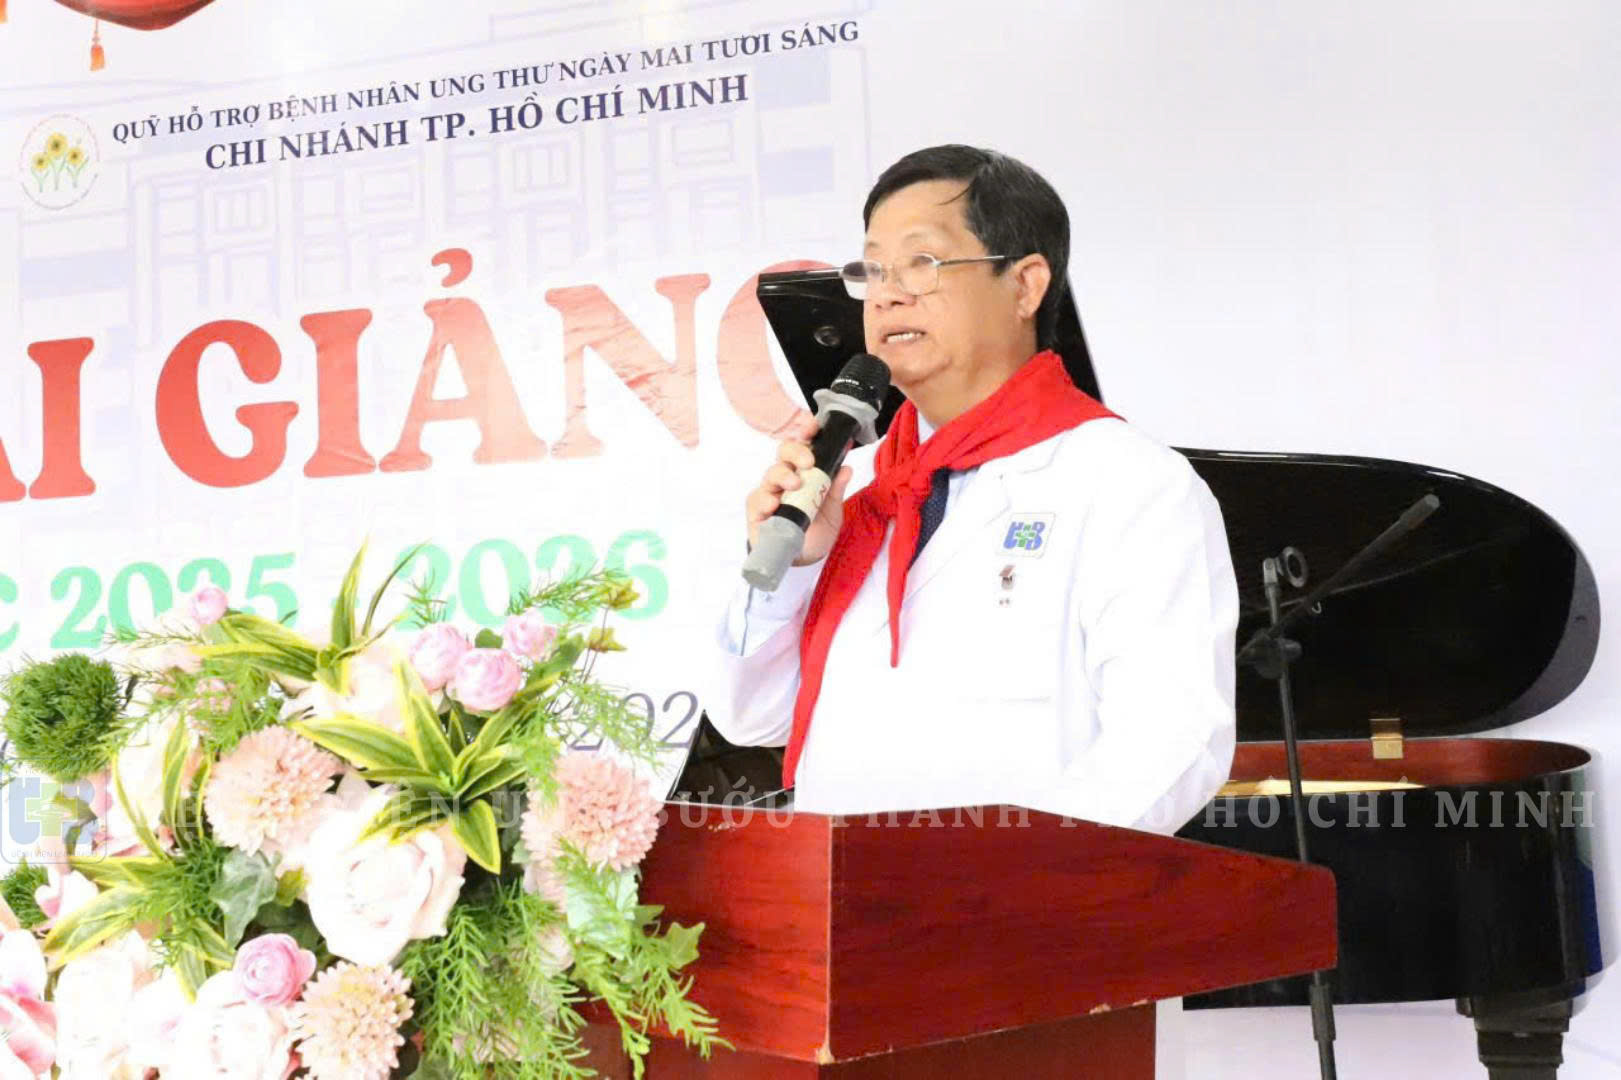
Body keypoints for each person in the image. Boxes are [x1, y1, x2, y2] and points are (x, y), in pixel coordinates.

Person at [702, 145, 1237, 834]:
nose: (888, 294)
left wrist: (1006, 882)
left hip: (1020, 895)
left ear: (1025, 286)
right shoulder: (849, 486)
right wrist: (793, 567)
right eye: (874, 270)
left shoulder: (1129, 482)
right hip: (839, 891)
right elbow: (750, 717)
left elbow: (1170, 741)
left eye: (923, 262)